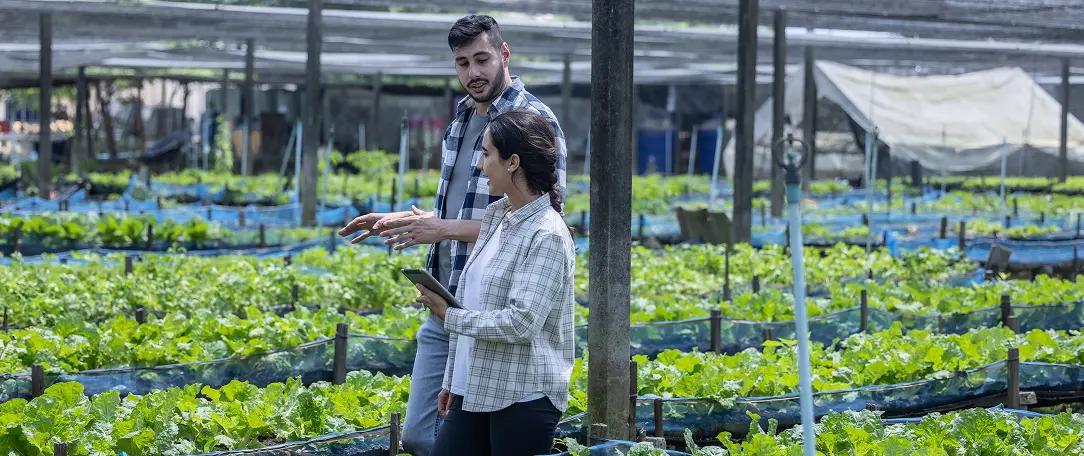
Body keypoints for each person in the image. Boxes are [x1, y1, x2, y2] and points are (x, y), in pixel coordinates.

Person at [337, 14, 566, 456]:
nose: (472, 73)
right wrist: (404, 219)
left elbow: (539, 219)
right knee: (420, 434)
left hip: (494, 311)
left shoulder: (533, 120)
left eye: (482, 59)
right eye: (462, 63)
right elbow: (456, 211)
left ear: (504, 53)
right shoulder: (461, 119)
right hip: (448, 295)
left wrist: (440, 229)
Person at [416, 110, 575, 456]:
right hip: (475, 387)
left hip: (523, 394)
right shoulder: (497, 215)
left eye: (486, 153)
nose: (479, 164)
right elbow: (472, 300)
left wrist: (448, 315)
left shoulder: (546, 234)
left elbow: (521, 322)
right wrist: (453, 380)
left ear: (513, 162)